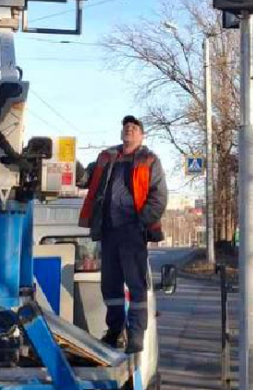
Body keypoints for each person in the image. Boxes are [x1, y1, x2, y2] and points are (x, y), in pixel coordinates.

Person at [78, 115, 167, 354]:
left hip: (132, 230)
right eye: (126, 126)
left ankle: (136, 335)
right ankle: (114, 330)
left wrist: (141, 222)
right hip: (108, 231)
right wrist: (72, 167)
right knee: (111, 286)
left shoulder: (149, 160)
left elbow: (159, 197)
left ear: (141, 135)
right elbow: (86, 179)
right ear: (121, 133)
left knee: (136, 286)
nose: (129, 129)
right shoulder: (106, 157)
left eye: (134, 127)